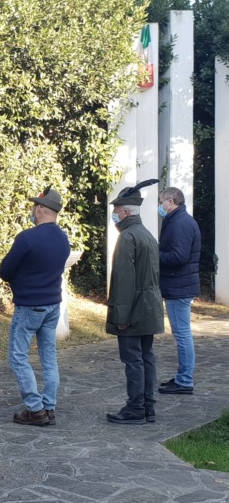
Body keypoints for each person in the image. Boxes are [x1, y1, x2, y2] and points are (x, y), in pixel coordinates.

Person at [0, 186, 70, 426]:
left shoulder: (27, 238)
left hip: (29, 305)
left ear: (40, 209)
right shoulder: (63, 238)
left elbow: (5, 271)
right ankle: (49, 406)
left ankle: (35, 408)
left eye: (33, 207)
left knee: (18, 356)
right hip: (53, 304)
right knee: (49, 356)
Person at [106, 180, 164, 425]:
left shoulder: (128, 237)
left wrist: (120, 317)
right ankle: (147, 406)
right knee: (146, 356)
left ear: (125, 212)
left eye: (116, 211)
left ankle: (135, 408)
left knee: (133, 360)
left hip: (133, 310)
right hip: (149, 307)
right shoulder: (147, 235)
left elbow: (123, 281)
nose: (114, 215)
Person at [157, 187, 201, 395]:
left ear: (171, 201)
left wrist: (155, 255)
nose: (160, 206)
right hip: (179, 284)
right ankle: (183, 377)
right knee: (182, 333)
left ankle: (185, 380)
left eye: (161, 202)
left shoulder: (181, 223)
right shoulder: (178, 220)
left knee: (182, 334)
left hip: (179, 286)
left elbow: (179, 256)